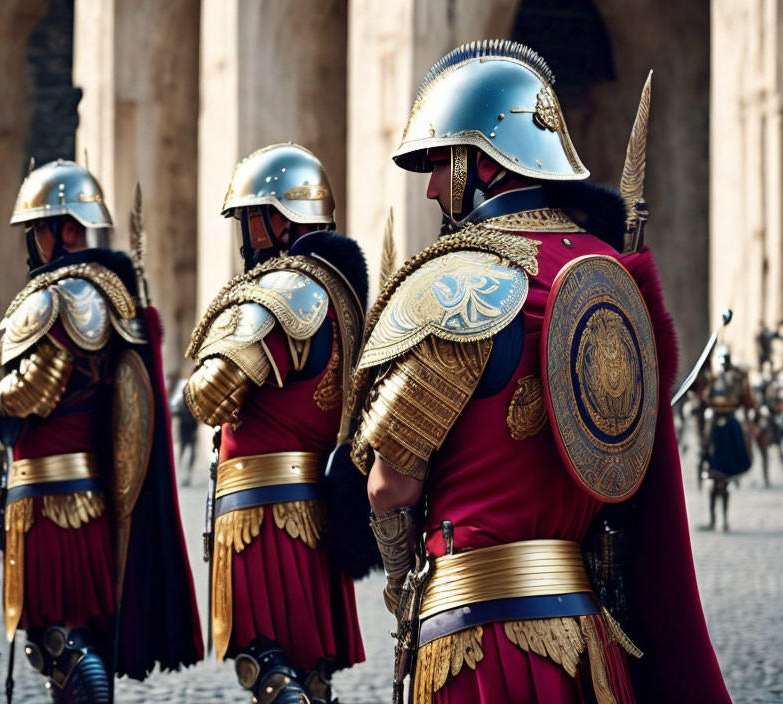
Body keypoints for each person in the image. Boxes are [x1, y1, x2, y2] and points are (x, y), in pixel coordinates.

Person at [351, 40, 730, 703]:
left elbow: (391, 486)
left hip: (477, 641)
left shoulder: (460, 283)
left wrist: (400, 582)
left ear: (484, 160)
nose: (433, 185)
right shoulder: (609, 276)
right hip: (586, 643)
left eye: (440, 162)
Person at [0, 159, 203, 702]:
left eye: (38, 229)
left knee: (61, 643)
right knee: (74, 639)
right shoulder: (104, 294)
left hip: (53, 504)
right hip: (79, 498)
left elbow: (34, 391)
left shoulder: (62, 297)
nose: (34, 242)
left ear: (64, 229)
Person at [186, 143, 367, 703]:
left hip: (265, 518)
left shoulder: (284, 291)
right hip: (316, 513)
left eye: (249, 218)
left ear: (278, 219)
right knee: (309, 678)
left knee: (267, 669)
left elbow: (207, 397)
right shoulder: (339, 294)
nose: (245, 233)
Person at [701, 348, 755, 528]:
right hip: (716, 427)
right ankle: (714, 519)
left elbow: (748, 402)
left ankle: (722, 519)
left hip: (729, 428)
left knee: (723, 478)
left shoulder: (738, 379)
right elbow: (706, 399)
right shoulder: (715, 381)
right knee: (714, 473)